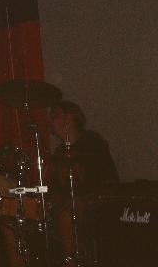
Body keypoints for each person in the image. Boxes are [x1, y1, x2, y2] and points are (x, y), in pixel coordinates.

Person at [48, 100, 118, 266]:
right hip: (69, 201)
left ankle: (71, 261)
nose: (50, 121)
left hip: (96, 201)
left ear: (70, 118)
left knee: (66, 213)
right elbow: (57, 189)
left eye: (55, 115)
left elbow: (104, 183)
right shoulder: (59, 152)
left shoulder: (92, 144)